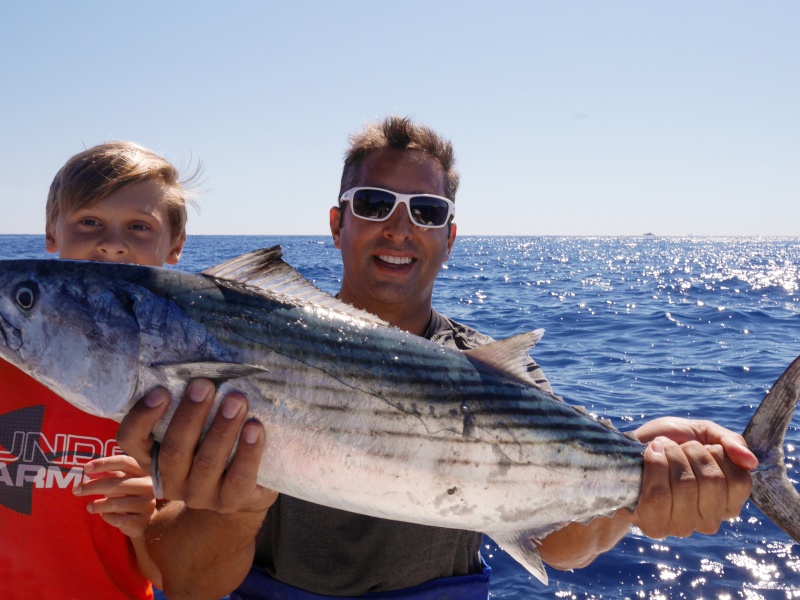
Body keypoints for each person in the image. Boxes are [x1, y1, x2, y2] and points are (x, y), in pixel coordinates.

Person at [116, 117, 756, 599]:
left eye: (426, 210)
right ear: (338, 224)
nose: (399, 227)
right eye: (373, 204)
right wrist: (242, 503)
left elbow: (563, 542)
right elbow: (184, 578)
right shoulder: (234, 339)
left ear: (449, 237)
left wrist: (639, 486)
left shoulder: (495, 370)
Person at [0, 141, 192, 599]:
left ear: (176, 246)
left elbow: (169, 578)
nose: (111, 243)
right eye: (89, 222)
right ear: (51, 233)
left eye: (139, 226)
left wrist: (147, 523)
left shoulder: (180, 397)